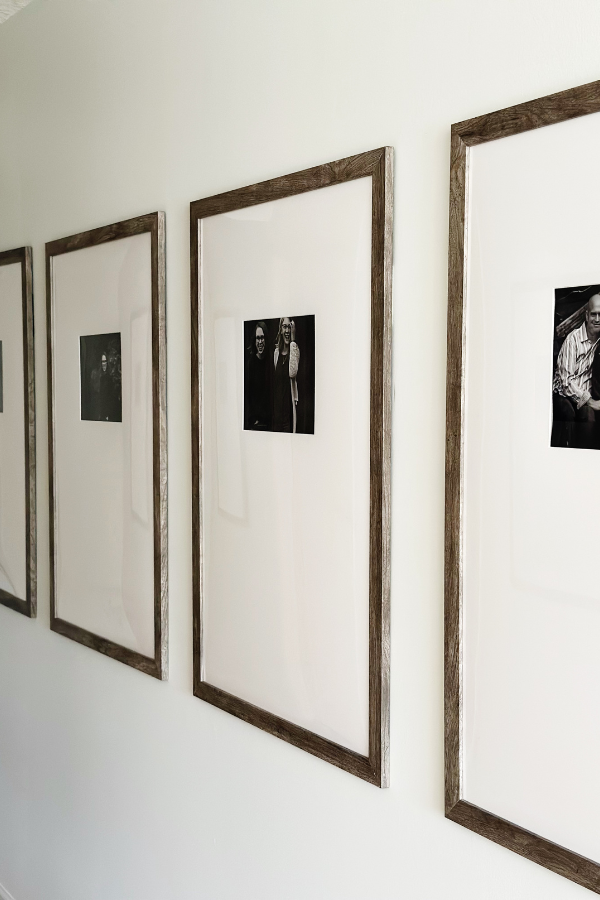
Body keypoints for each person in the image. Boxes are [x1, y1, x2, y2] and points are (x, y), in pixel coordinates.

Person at [552, 293, 600, 448]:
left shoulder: (599, 341)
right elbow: (566, 383)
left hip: (584, 397)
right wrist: (590, 401)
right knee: (568, 414)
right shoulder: (573, 340)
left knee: (589, 417)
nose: (597, 319)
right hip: (564, 393)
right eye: (594, 314)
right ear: (586, 316)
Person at [272, 317, 300, 433]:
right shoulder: (276, 353)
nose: (287, 331)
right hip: (276, 413)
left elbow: (292, 372)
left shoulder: (295, 350)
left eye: (289, 327)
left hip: (288, 413)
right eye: (285, 327)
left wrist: (293, 341)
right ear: (281, 329)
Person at [245, 321, 272, 430]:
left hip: (270, 422)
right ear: (254, 340)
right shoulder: (250, 363)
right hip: (255, 423)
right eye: (258, 338)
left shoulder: (270, 361)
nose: (260, 341)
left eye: (262, 338)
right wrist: (253, 420)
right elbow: (248, 395)